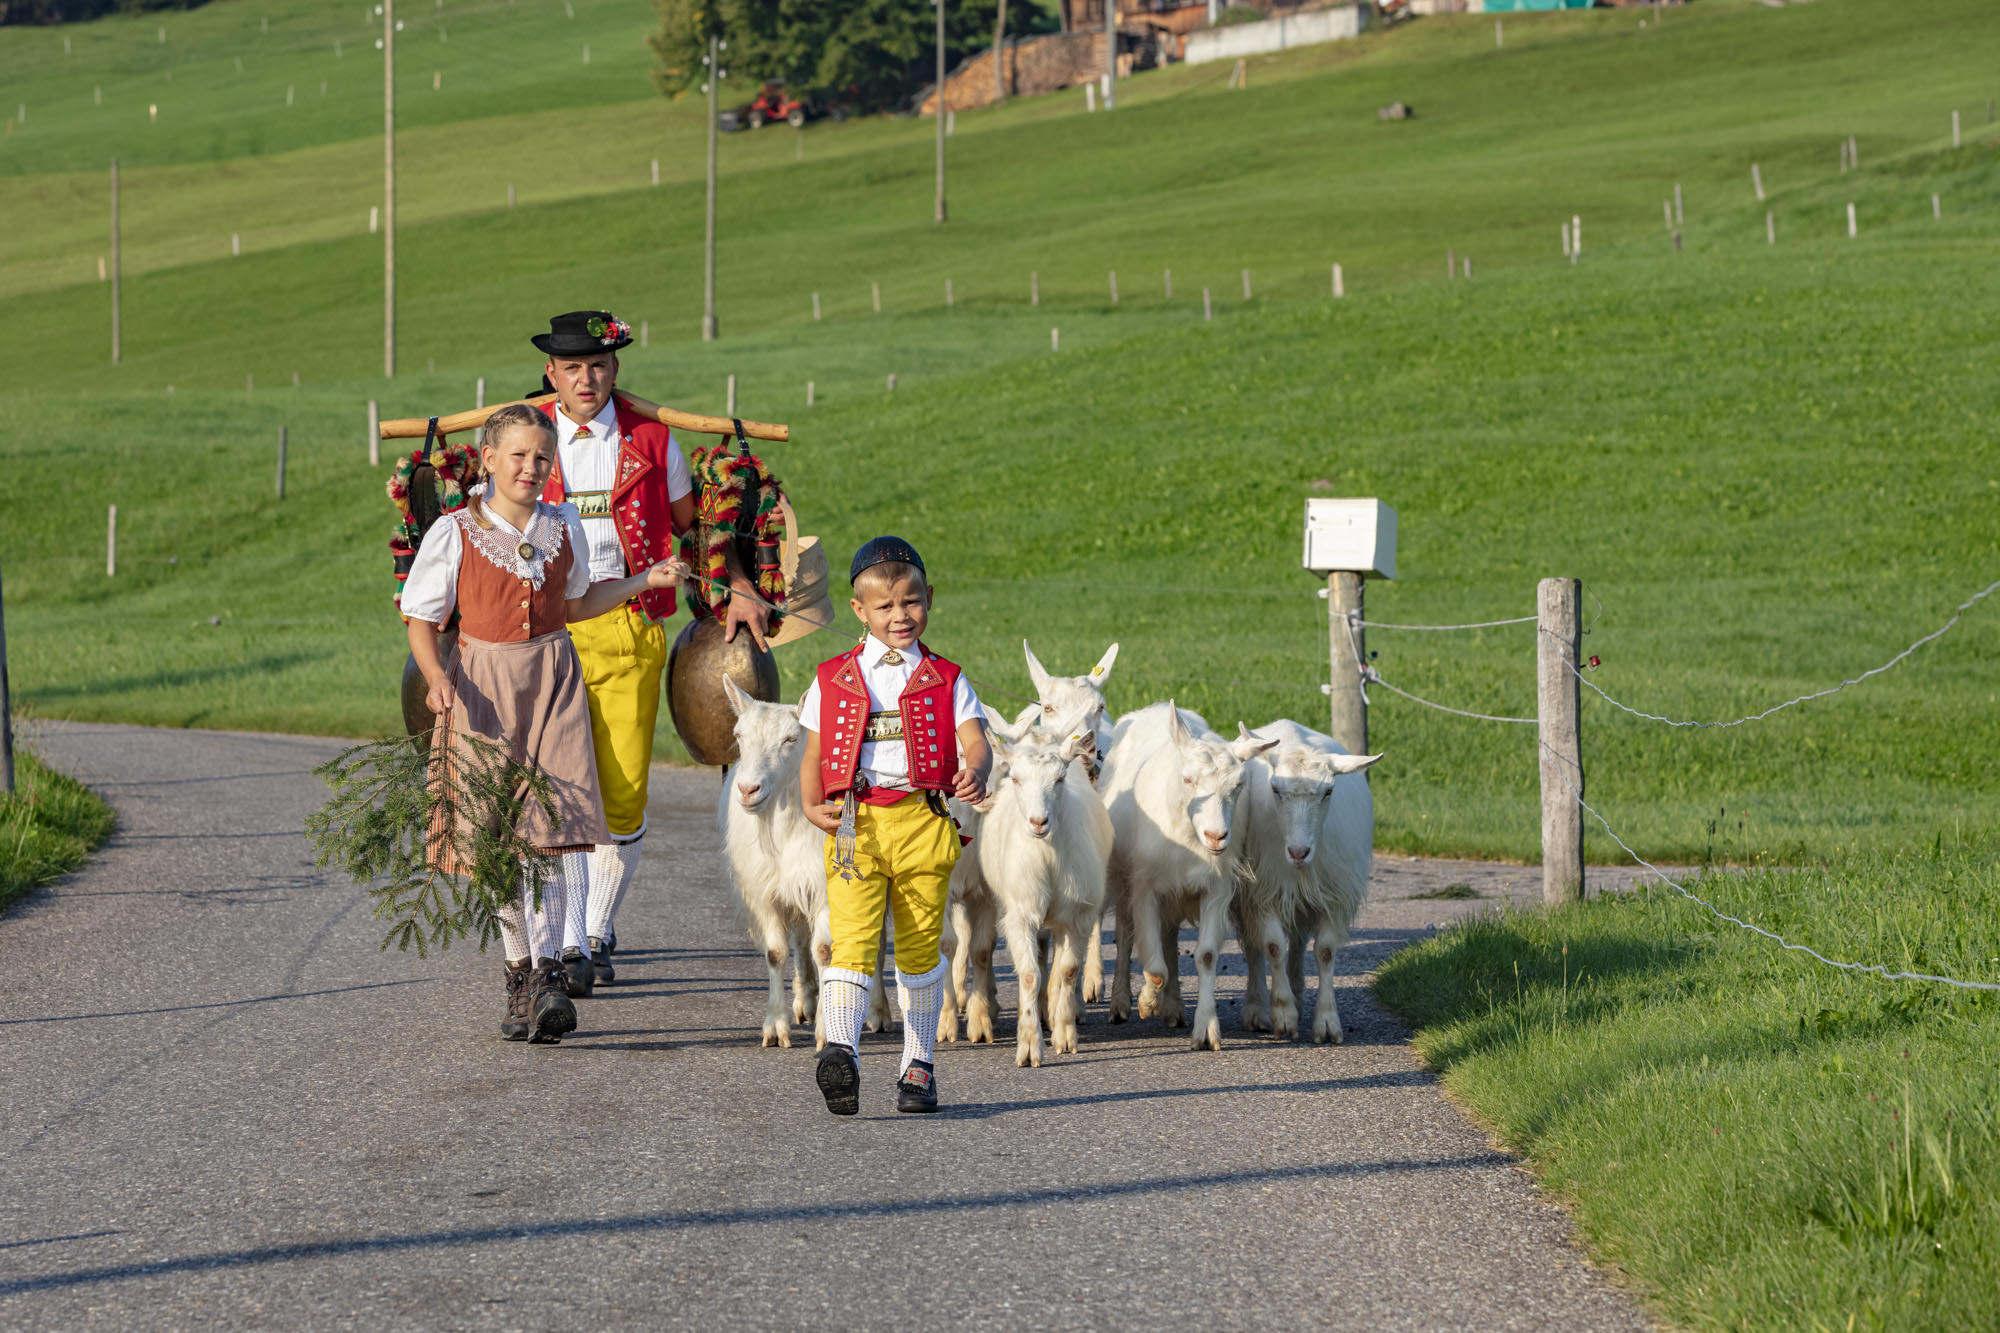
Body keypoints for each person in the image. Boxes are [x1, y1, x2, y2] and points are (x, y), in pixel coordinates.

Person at [401, 403, 685, 1043]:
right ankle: (520, 973)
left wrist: (645, 578)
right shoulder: (455, 532)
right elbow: (421, 620)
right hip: (486, 689)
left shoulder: (562, 526)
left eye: (542, 457)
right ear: (489, 460)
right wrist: (438, 678)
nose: (531, 467)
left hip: (555, 683)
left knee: (552, 830)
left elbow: (577, 603)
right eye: (519, 456)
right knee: (498, 839)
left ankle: (552, 973)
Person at [530, 310, 770, 995]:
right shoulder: (526, 437)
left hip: (627, 623)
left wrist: (739, 583)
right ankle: (570, 943)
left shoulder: (651, 439)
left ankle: (595, 927)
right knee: (550, 789)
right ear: (551, 373)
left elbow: (698, 532)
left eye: (598, 365)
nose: (586, 378)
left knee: (622, 790)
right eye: (572, 367)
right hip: (542, 627)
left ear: (615, 369)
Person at [798, 537, 991, 1115]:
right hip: (854, 826)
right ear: (860, 611)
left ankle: (918, 1064)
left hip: (922, 822)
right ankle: (843, 1053)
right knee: (852, 941)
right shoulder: (833, 678)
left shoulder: (946, 678)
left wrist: (976, 771)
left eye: (910, 602)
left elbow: (976, 741)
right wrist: (810, 803)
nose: (900, 615)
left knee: (919, 947)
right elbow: (813, 754)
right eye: (884, 607)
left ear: (928, 598)